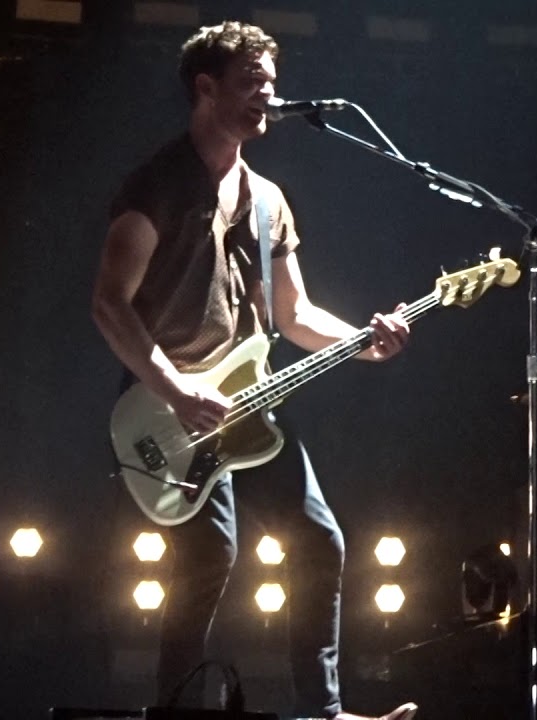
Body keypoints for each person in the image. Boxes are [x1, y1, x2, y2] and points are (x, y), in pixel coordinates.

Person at [91, 20, 416, 720]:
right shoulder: (157, 186)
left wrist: (367, 339)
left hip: (247, 400)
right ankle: (175, 709)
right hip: (167, 402)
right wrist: (175, 389)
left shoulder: (268, 199)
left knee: (319, 541)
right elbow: (109, 305)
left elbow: (295, 314)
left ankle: (324, 712)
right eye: (251, 82)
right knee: (210, 556)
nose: (268, 95)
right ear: (205, 89)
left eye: (271, 81)